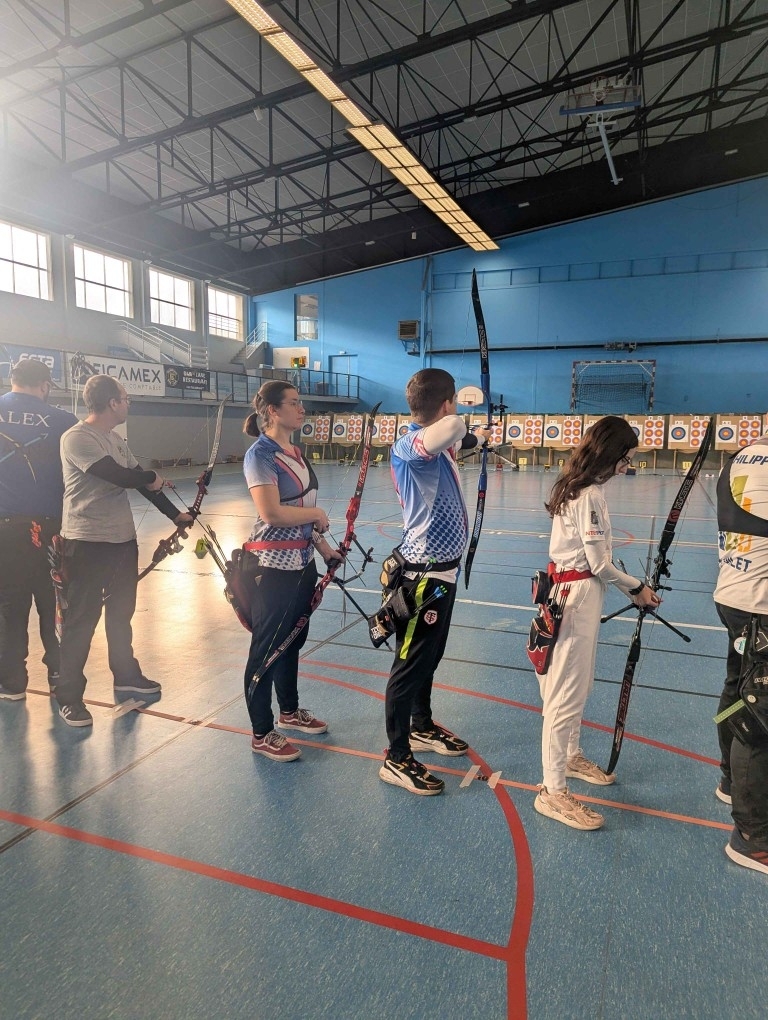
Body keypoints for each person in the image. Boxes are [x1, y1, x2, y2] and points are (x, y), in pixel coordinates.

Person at [535, 415, 660, 830]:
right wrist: (637, 587)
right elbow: (598, 564)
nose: (627, 466)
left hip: (572, 594)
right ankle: (552, 791)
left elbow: (596, 563)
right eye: (626, 458)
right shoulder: (587, 493)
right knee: (564, 696)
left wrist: (630, 586)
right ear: (610, 454)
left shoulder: (579, 486)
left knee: (578, 685)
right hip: (575, 597)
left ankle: (570, 757)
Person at [54, 375, 194, 727]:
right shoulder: (77, 437)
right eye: (125, 398)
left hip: (122, 542)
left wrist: (175, 515)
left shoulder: (116, 439)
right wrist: (150, 477)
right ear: (112, 402)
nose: (128, 403)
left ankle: (126, 676)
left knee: (121, 613)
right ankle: (69, 697)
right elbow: (117, 476)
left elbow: (139, 480)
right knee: (81, 619)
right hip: (86, 543)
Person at [379, 368, 492, 795]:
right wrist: (462, 420)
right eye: (453, 403)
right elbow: (451, 431)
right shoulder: (408, 445)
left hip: (442, 572)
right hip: (421, 576)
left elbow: (459, 438)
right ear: (447, 404)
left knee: (429, 656)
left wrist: (482, 438)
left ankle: (421, 725)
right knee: (408, 665)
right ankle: (396, 757)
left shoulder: (437, 443)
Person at [242, 381, 339, 761]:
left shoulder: (296, 453)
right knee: (266, 649)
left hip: (303, 562)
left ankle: (289, 711)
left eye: (301, 403)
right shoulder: (261, 454)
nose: (302, 409)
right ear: (272, 410)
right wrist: (316, 513)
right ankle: (261, 732)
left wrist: (325, 548)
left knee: (292, 640)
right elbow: (272, 513)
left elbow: (301, 516)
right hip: (271, 566)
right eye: (294, 403)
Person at [0, 359, 78, 700]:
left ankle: (12, 682)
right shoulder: (63, 421)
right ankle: (59, 675)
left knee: (9, 605)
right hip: (50, 529)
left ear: (12, 379)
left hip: (5, 530)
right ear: (45, 385)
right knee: (54, 602)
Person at [713, 437, 768, 874]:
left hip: (734, 595)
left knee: (738, 691)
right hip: (761, 605)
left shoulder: (742, 455)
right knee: (761, 714)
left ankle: (732, 781)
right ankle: (753, 838)